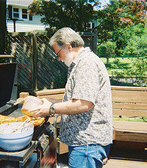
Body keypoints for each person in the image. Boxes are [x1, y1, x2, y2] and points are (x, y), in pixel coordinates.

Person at [30, 27, 113, 168]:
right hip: (84, 142)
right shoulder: (80, 62)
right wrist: (52, 102)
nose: (59, 58)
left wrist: (50, 109)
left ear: (68, 47)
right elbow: (77, 100)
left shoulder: (86, 63)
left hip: (87, 143)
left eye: (58, 53)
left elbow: (83, 104)